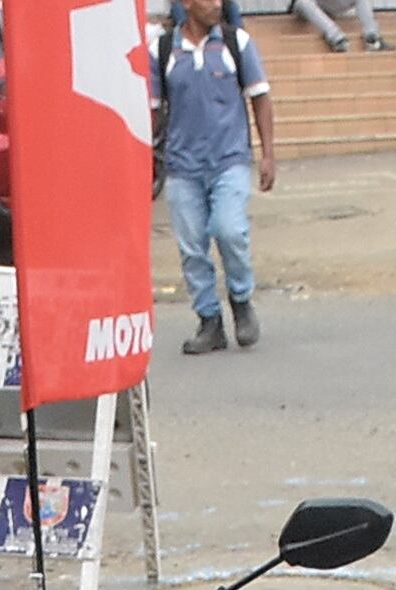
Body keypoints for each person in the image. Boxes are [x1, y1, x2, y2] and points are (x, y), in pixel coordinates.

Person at [155, 0, 276, 356]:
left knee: (229, 230)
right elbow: (153, 110)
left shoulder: (236, 43)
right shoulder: (163, 50)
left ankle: (241, 299)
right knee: (192, 248)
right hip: (182, 167)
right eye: (207, 0)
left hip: (229, 160)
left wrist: (268, 154)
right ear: (187, 4)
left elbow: (261, 97)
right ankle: (209, 321)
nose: (217, 5)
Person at [289, 0, 389, 52]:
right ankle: (338, 39)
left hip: (330, 4)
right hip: (308, 6)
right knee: (303, 2)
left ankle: (372, 39)